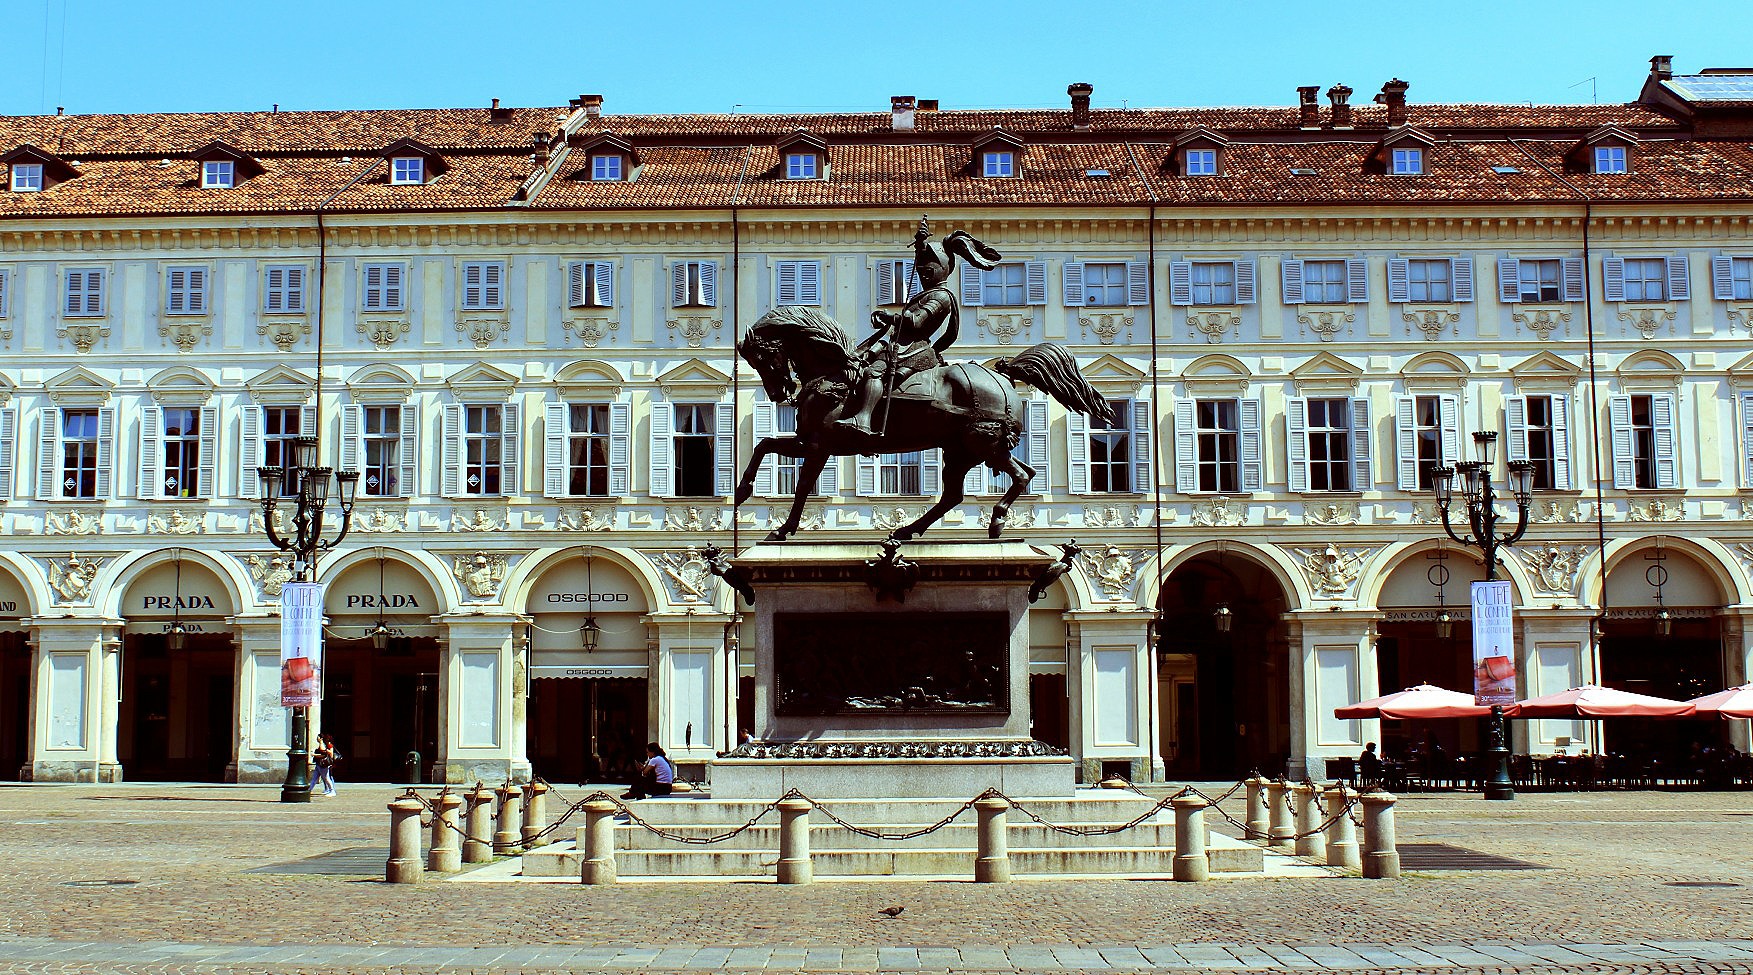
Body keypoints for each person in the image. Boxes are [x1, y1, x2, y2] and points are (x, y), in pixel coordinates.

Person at [831, 219, 1001, 437]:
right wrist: (921, 244)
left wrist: (890, 317)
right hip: (901, 344)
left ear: (941, 269)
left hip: (913, 349)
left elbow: (916, 321)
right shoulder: (928, 293)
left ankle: (863, 419)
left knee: (874, 372)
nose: (922, 274)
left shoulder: (941, 296)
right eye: (921, 271)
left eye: (928, 270)